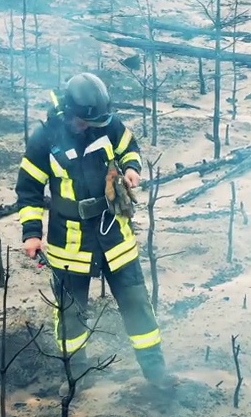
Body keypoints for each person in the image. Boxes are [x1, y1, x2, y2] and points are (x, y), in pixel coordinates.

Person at [15, 72, 176, 395]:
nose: (92, 127)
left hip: (114, 235)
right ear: (71, 113)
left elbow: (129, 147)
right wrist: (31, 233)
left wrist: (131, 168)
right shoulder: (45, 138)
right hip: (69, 243)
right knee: (70, 315)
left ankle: (156, 373)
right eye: (86, 121)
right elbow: (29, 189)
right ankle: (78, 377)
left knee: (136, 304)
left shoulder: (108, 124)